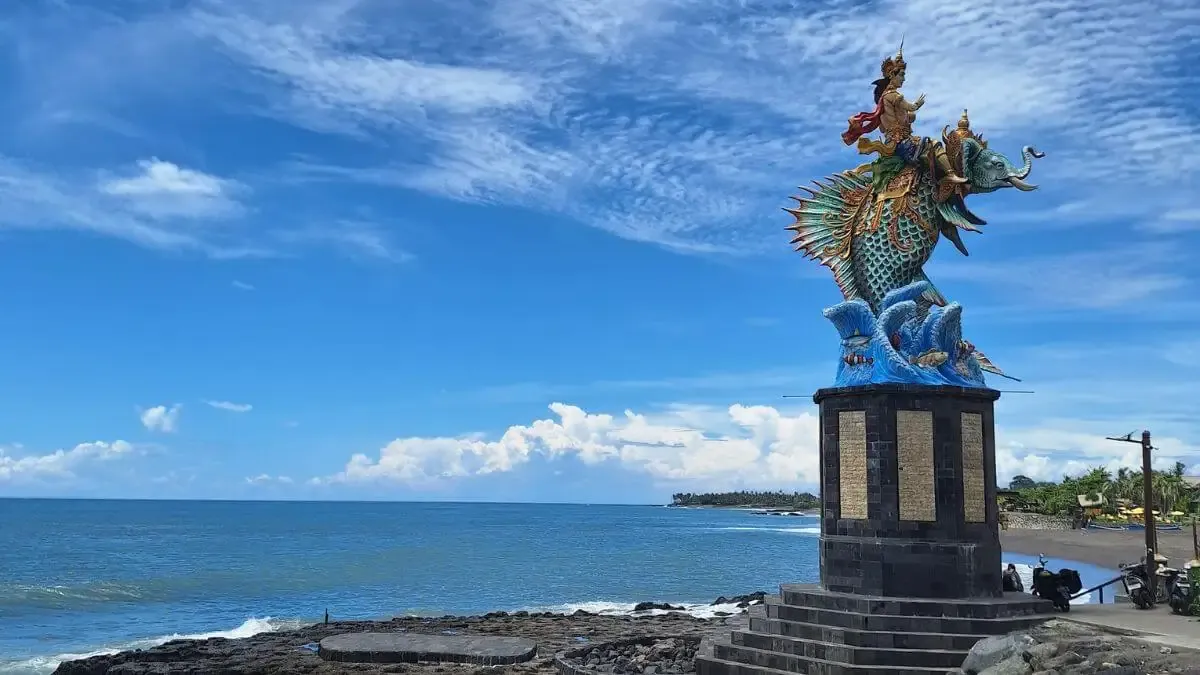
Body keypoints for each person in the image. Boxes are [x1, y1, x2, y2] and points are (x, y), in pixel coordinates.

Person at [841, 43, 968, 187]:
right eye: (901, 75)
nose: (904, 79)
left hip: (894, 142)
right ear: (892, 75)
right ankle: (951, 174)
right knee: (935, 144)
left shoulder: (883, 101)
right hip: (902, 142)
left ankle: (856, 171)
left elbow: (890, 124)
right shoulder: (893, 96)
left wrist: (908, 117)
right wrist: (918, 104)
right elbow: (911, 106)